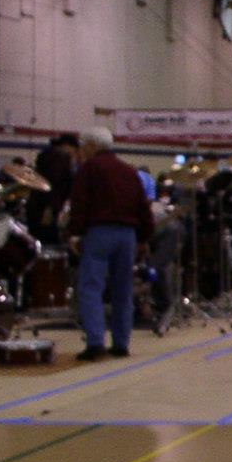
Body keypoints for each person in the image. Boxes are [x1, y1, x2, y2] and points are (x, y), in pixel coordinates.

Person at [66, 127, 154, 363]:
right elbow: (143, 207)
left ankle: (96, 342)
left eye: (83, 147)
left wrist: (75, 233)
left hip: (99, 233)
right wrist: (144, 237)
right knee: (123, 290)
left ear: (91, 146)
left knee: (91, 287)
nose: (81, 152)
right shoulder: (129, 171)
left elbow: (80, 203)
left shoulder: (88, 169)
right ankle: (121, 343)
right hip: (127, 236)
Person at [29, 134, 78, 243]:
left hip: (37, 205)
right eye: (74, 150)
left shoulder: (45, 155)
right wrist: (50, 208)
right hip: (48, 208)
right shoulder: (59, 158)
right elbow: (53, 183)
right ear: (67, 146)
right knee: (48, 241)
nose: (74, 154)